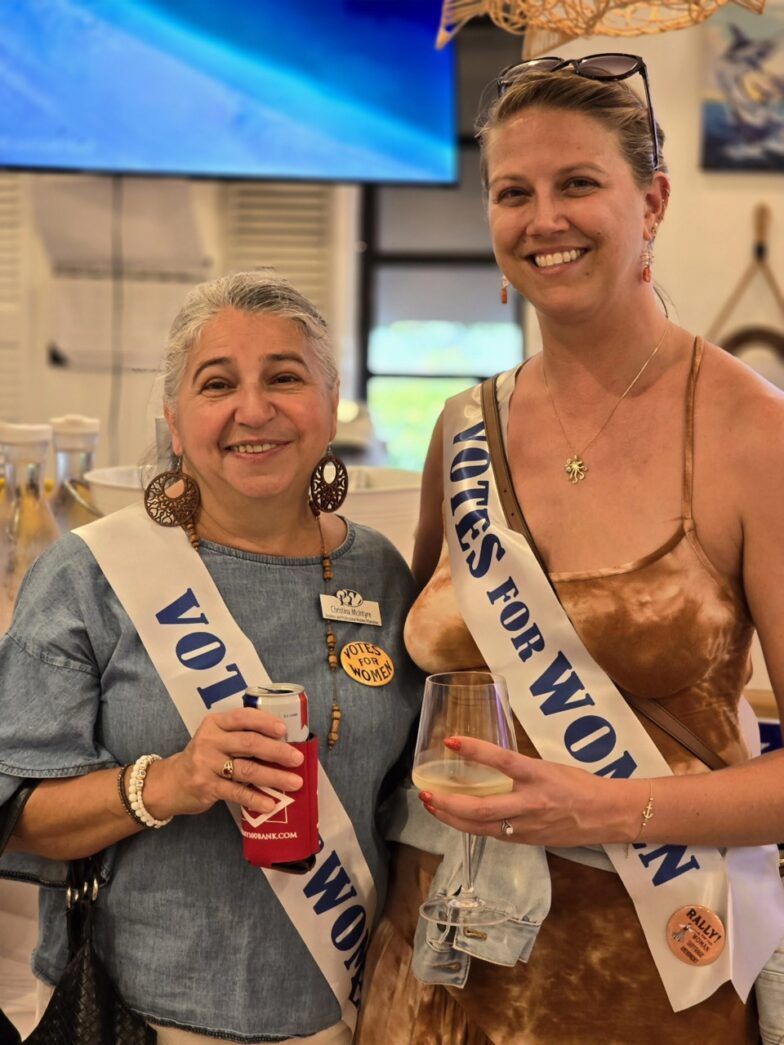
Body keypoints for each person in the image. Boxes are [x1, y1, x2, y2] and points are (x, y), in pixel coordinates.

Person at [355, 55, 784, 1044]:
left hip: (641, 970)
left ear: (653, 201)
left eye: (578, 183)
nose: (542, 218)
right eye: (513, 192)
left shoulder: (750, 435)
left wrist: (603, 806)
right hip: (432, 966)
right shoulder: (462, 429)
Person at [0, 271, 421, 1043]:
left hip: (342, 1019)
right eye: (217, 382)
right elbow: (15, 812)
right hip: (132, 1020)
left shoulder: (386, 575)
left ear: (330, 406)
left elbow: (406, 804)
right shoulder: (87, 574)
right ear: (174, 416)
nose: (252, 409)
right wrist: (168, 781)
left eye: (285, 378)